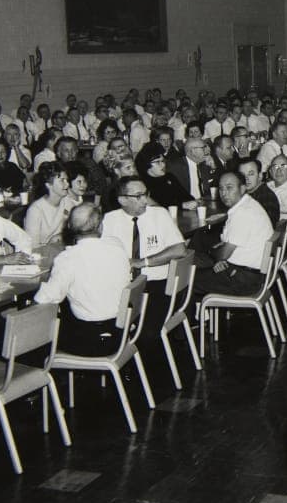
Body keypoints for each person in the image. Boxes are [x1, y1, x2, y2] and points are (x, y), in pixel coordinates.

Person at [33, 203, 132, 356]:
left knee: (34, 337)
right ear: (100, 226)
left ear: (70, 228)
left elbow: (44, 300)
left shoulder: (67, 259)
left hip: (93, 340)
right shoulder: (117, 247)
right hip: (123, 332)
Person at [101, 175, 187, 333]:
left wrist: (143, 262)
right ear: (122, 200)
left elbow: (180, 249)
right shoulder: (110, 220)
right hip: (123, 286)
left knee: (142, 330)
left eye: (145, 194)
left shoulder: (159, 215)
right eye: (138, 196)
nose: (145, 200)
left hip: (155, 284)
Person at [192, 171, 274, 297]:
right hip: (251, 273)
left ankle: (197, 315)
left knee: (187, 278)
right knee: (199, 243)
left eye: (229, 188)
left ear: (242, 189)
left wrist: (215, 257)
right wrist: (218, 256)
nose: (224, 193)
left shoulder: (242, 213)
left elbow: (223, 254)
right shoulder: (248, 204)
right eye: (221, 188)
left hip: (244, 280)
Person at [135, 142, 197, 209]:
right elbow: (157, 207)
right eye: (157, 162)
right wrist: (182, 205)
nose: (163, 165)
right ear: (146, 164)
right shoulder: (142, 184)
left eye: (163, 161)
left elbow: (187, 197)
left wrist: (192, 203)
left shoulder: (169, 177)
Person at [24, 161, 73, 246]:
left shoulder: (68, 202)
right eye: (62, 180)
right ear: (48, 185)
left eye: (67, 180)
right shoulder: (35, 210)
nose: (67, 184)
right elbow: (32, 247)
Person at [167, 137, 217, 202]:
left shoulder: (205, 164)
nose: (208, 150)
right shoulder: (175, 166)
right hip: (185, 206)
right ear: (192, 151)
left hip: (205, 203)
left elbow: (214, 188)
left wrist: (213, 168)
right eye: (203, 147)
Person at [237, 158, 281, 225]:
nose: (246, 178)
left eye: (251, 174)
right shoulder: (248, 194)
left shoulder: (266, 198)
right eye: (242, 175)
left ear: (260, 176)